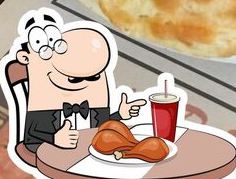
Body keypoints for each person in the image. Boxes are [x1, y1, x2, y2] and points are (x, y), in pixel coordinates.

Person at [15, 13, 145, 152]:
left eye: (93, 77)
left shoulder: (95, 100)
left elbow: (102, 127)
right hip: (52, 156)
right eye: (74, 79)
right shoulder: (44, 104)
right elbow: (31, 138)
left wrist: (120, 115)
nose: (83, 82)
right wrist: (54, 139)